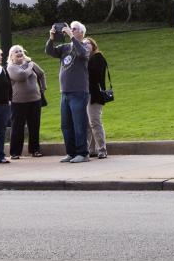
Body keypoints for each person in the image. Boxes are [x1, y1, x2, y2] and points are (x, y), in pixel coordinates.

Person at [45, 21, 91, 163]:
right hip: (65, 92)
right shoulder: (65, 47)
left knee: (79, 123)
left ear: (81, 32)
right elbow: (50, 51)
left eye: (74, 29)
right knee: (66, 125)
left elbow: (83, 54)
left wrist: (72, 37)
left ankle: (82, 153)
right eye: (70, 29)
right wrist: (52, 38)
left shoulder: (84, 45)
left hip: (78, 91)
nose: (70, 30)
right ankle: (71, 153)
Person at [6, 44, 47, 159]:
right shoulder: (11, 67)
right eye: (16, 52)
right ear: (11, 56)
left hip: (35, 100)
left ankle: (35, 150)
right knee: (17, 127)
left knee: (34, 125)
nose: (19, 53)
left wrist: (43, 87)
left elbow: (41, 73)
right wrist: (29, 66)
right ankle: (15, 152)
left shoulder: (31, 63)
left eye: (20, 51)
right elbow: (21, 76)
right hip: (18, 102)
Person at [84, 37, 109, 159]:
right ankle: (91, 149)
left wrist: (85, 60)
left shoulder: (97, 57)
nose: (86, 45)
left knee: (94, 122)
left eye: (88, 43)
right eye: (83, 44)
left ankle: (102, 149)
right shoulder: (84, 59)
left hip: (95, 94)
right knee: (88, 124)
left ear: (93, 45)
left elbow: (96, 74)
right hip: (85, 94)